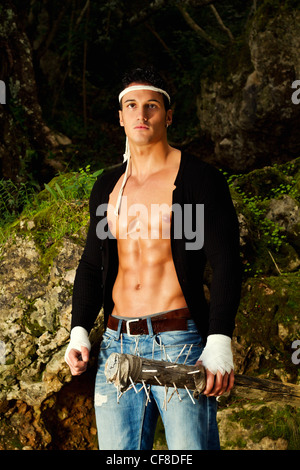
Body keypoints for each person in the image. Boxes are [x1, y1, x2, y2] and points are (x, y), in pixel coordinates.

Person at [65, 66, 242, 450]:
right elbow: (92, 265)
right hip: (115, 344)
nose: (141, 115)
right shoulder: (107, 185)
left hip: (178, 341)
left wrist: (219, 340)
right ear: (121, 116)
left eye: (151, 106)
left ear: (168, 115)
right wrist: (80, 329)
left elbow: (226, 261)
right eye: (131, 106)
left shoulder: (199, 179)